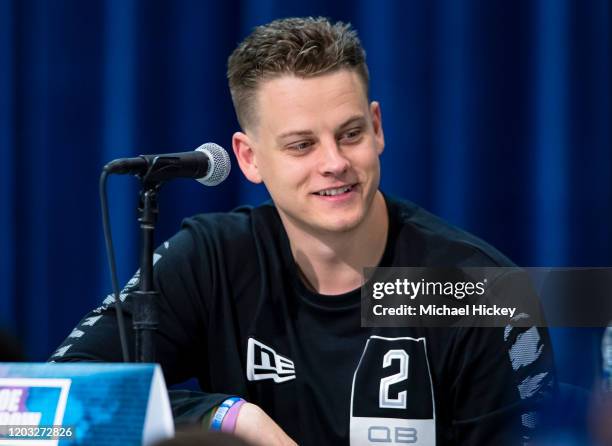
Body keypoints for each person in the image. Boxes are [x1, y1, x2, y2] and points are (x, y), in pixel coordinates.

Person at [51, 17, 555, 445]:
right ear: (249, 157)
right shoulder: (212, 258)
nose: (334, 162)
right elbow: (34, 407)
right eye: (301, 145)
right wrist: (230, 417)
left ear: (377, 128)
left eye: (350, 134)